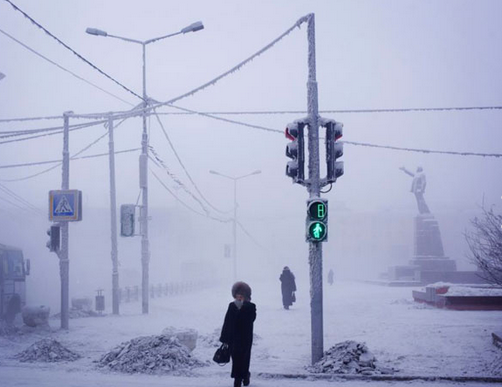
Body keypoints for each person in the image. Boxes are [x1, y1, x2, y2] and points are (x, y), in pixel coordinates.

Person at [220, 282, 257, 387]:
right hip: (233, 339)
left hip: (245, 339)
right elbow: (227, 322)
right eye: (237, 295)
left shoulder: (251, 307)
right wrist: (224, 338)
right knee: (236, 359)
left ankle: (245, 376)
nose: (239, 296)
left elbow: (251, 319)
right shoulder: (231, 306)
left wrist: (243, 308)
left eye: (242, 295)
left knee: (244, 358)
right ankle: (237, 380)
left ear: (246, 295)